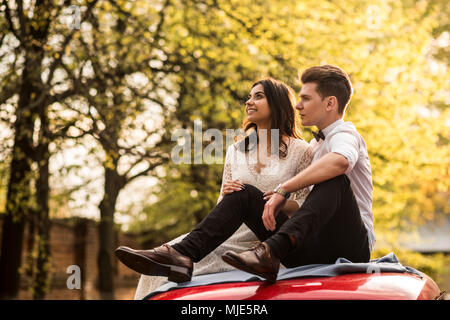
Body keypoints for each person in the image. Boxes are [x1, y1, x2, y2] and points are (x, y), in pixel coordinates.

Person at [117, 78, 313, 290]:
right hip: (232, 237)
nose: (249, 102)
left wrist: (273, 199)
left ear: (277, 103)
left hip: (271, 238)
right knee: (154, 272)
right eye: (249, 97)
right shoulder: (236, 150)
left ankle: (184, 255)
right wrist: (228, 194)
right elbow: (223, 206)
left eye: (258, 96)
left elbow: (304, 206)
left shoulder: (301, 150)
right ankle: (179, 255)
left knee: (246, 195)